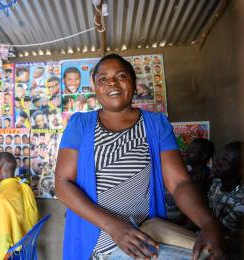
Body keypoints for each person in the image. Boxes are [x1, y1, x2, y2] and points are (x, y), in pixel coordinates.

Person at [55, 54, 223, 260]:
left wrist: (208, 224)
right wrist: (114, 227)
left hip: (144, 234)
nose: (112, 83)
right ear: (95, 88)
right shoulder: (80, 125)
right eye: (103, 79)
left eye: (121, 76)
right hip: (98, 242)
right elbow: (63, 184)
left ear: (134, 83)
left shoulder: (156, 124)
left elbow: (179, 183)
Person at [208, 142, 244, 231]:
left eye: (224, 161)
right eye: (218, 156)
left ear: (240, 171)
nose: (216, 161)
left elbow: (219, 230)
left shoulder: (243, 202)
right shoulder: (217, 182)